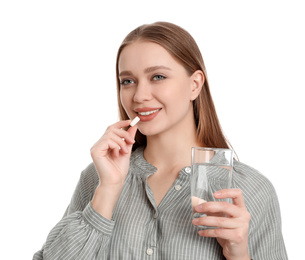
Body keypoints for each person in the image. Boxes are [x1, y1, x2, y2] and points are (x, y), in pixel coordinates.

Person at [33, 22, 287, 260]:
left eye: (158, 77)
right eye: (128, 81)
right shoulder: (98, 178)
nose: (140, 96)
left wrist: (238, 254)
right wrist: (108, 190)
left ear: (195, 85)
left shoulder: (250, 189)